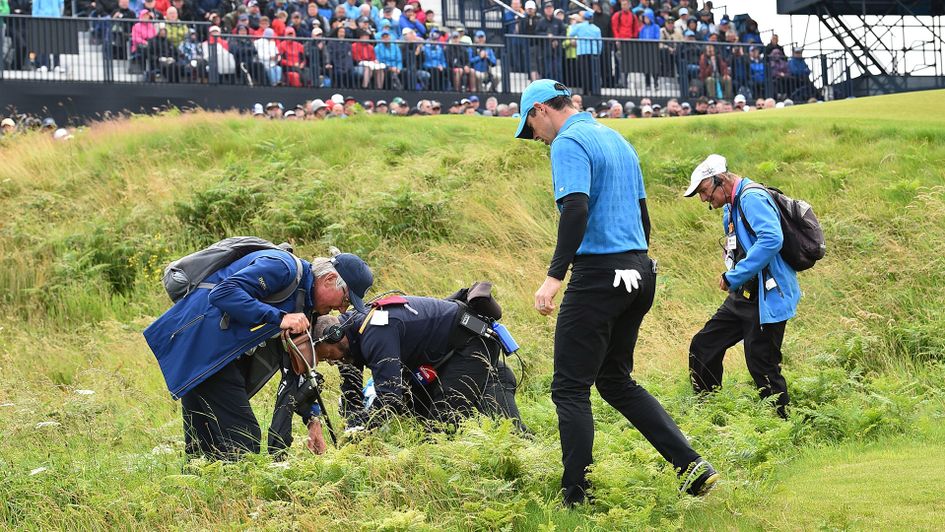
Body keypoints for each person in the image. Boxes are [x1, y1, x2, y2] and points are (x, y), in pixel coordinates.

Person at [514, 79, 718, 506]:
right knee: (614, 380)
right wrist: (635, 264)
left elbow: (575, 207)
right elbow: (643, 217)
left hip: (599, 275)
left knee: (569, 388)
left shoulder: (567, 142)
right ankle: (693, 468)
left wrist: (555, 276)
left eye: (529, 127)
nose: (533, 137)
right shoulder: (617, 139)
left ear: (540, 111)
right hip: (639, 271)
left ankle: (576, 499)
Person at [143, 248, 373, 460]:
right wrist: (279, 318)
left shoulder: (304, 304)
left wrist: (313, 419)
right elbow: (223, 293)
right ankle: (236, 499)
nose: (343, 309)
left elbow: (299, 364)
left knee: (203, 448)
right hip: (203, 351)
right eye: (345, 299)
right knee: (244, 442)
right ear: (330, 280)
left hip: (213, 358)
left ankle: (202, 500)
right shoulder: (283, 267)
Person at [682, 154, 800, 420]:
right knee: (703, 346)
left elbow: (771, 240)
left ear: (720, 179)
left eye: (704, 191)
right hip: (744, 295)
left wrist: (733, 276)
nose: (703, 199)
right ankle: (712, 415)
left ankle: (783, 428)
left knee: (762, 366)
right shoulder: (731, 205)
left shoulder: (750, 198)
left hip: (767, 297)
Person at [307, 293, 524, 433]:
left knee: (442, 424)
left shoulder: (375, 332)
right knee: (414, 409)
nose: (329, 362)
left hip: (470, 345)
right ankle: (495, 384)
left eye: (325, 355)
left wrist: (364, 424)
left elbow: (390, 397)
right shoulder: (351, 334)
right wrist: (351, 423)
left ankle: (513, 434)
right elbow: (351, 388)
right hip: (442, 354)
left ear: (334, 335)